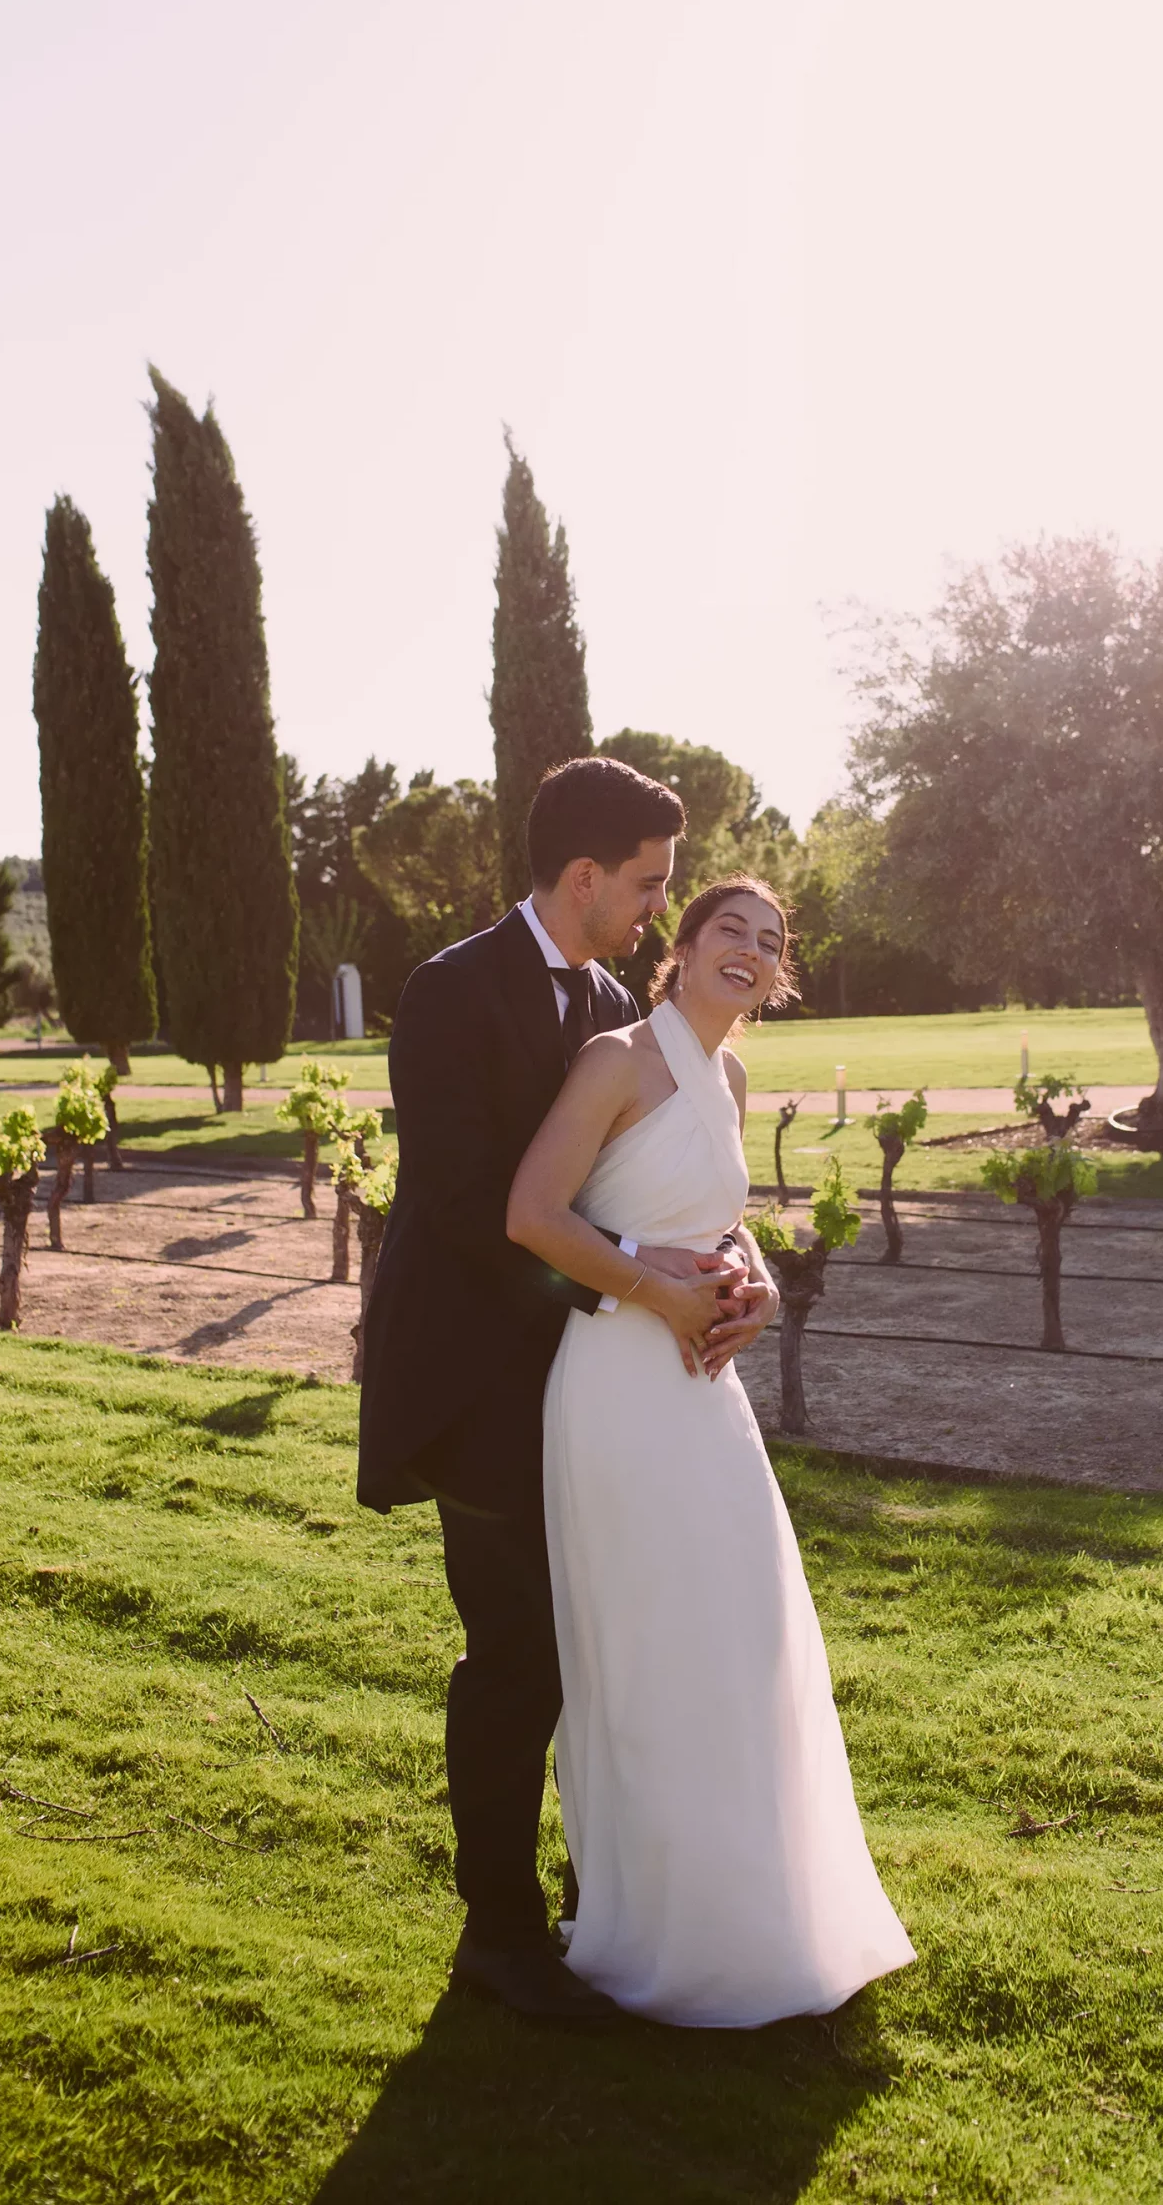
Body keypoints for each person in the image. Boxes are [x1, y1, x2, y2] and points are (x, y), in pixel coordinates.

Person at [356, 758, 777, 2026]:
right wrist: (637, 1289)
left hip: (599, 1392)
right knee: (518, 1656)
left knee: (611, 1647)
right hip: (477, 1386)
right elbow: (469, 1208)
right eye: (648, 885)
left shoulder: (609, 1006)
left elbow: (644, 1185)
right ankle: (497, 1929)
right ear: (584, 875)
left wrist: (728, 1270)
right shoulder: (448, 991)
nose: (657, 908)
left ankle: (616, 1903)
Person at [507, 875, 916, 2026]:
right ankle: (656, 1924)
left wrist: (759, 1287)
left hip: (704, 1389)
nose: (749, 947)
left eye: (768, 941)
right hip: (615, 1384)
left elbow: (720, 1225)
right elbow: (533, 1215)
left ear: (776, 978)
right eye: (727, 928)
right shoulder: (613, 1060)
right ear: (680, 949)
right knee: (648, 1646)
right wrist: (656, 1290)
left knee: (740, 1636)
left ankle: (753, 1911)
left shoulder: (730, 1077)